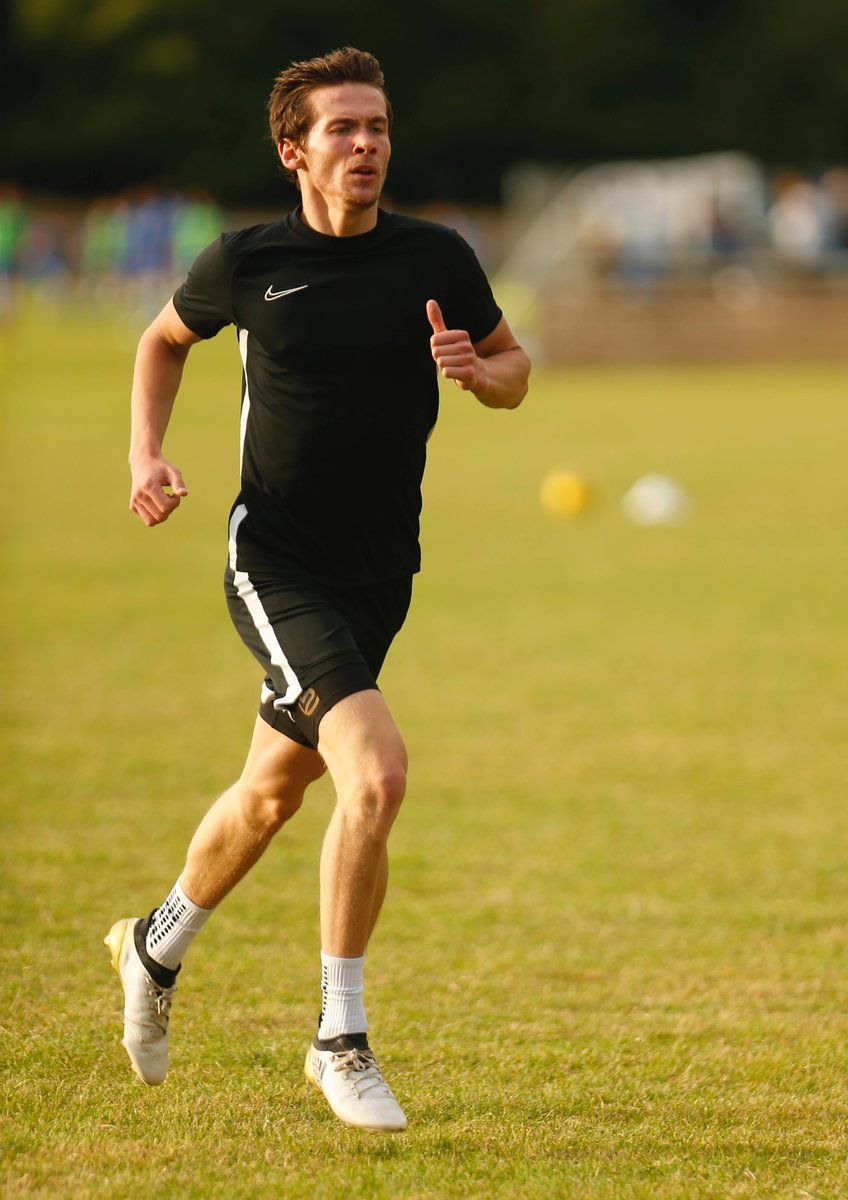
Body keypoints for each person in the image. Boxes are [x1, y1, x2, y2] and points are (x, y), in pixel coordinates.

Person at [104, 46, 529, 1133]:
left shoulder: (435, 255)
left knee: (271, 795)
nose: (366, 145)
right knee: (374, 775)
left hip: (382, 571)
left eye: (378, 126)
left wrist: (481, 377)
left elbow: (513, 366)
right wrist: (145, 454)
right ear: (295, 150)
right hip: (275, 560)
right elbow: (162, 342)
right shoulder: (246, 262)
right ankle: (340, 1040)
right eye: (343, 129)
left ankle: (155, 943)